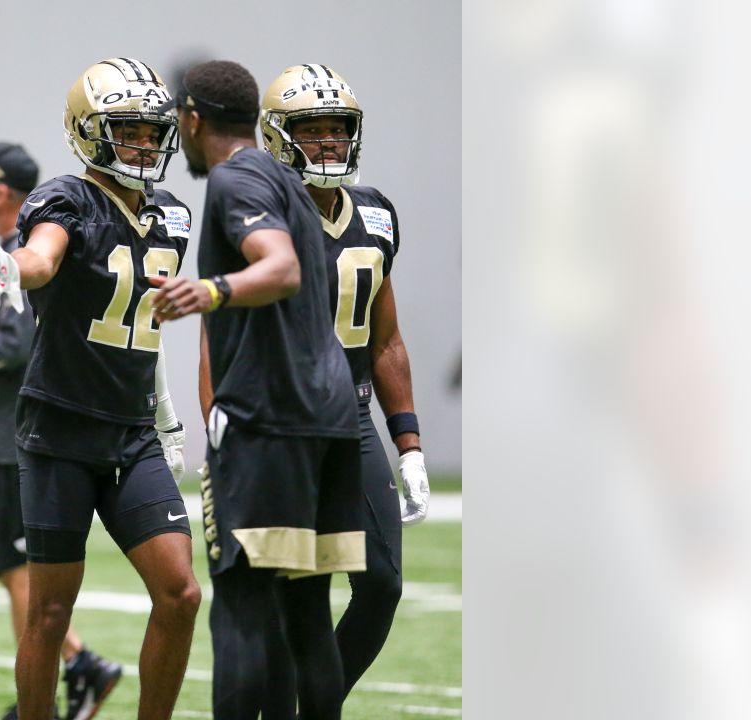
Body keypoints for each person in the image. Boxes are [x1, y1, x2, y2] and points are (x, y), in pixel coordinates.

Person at [0, 59, 200, 720]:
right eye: (126, 129)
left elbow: (142, 325)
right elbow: (42, 256)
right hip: (61, 431)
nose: (144, 144)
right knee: (48, 611)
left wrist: (163, 409)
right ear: (87, 131)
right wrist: (12, 268)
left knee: (180, 594)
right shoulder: (67, 198)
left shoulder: (174, 217)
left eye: (151, 130)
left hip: (131, 433)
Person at [149, 60, 365, 720]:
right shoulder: (289, 182)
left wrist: (211, 289)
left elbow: (282, 268)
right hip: (331, 420)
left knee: (242, 608)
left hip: (271, 422)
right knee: (307, 612)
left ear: (191, 119)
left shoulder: (237, 176)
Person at [254, 64, 433, 708]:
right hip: (281, 426)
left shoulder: (377, 213)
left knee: (381, 582)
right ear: (280, 137)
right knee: (290, 590)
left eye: (339, 129)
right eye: (314, 130)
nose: (329, 143)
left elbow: (385, 338)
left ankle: (313, 701)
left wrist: (407, 443)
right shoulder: (260, 214)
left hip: (351, 420)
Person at [0, 142, 123, 720]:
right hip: (7, 431)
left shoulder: (24, 251)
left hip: (16, 433)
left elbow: (14, 346)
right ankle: (73, 667)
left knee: (18, 561)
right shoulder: (12, 247)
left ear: (1, 192)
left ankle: (73, 672)